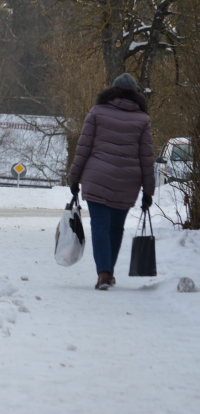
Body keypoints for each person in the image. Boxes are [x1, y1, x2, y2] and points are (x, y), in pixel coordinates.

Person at [67, 73, 155, 290]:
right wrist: (148, 191)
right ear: (135, 95)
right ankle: (108, 273)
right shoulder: (143, 120)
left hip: (96, 177)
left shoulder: (96, 113)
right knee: (116, 228)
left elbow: (83, 149)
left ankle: (104, 273)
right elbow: (146, 158)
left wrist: (74, 178)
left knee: (99, 225)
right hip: (128, 182)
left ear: (112, 91)